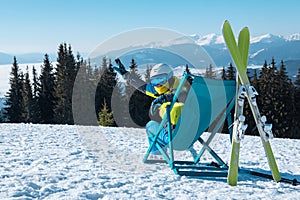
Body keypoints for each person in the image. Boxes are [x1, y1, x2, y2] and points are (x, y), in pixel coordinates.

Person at [113, 58, 197, 158]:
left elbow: (179, 94)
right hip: (190, 138)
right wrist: (126, 75)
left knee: (150, 125)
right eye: (154, 81)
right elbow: (143, 87)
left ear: (170, 77)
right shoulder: (164, 89)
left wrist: (164, 98)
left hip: (173, 139)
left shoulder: (181, 90)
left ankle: (158, 155)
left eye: (161, 80)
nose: (158, 84)